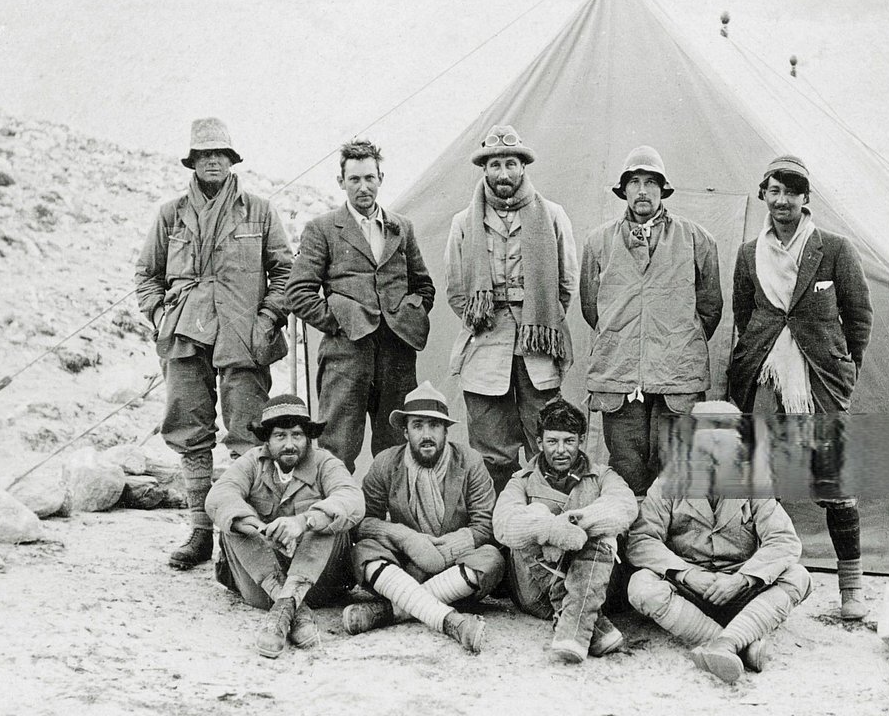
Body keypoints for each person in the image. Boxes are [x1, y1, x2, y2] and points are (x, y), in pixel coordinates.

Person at [135, 118, 292, 570]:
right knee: (189, 431)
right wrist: (161, 314)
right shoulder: (170, 214)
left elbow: (284, 273)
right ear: (193, 161)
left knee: (247, 434)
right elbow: (146, 276)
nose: (213, 162)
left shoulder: (259, 211)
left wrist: (267, 318)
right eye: (204, 155)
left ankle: (238, 538)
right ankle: (200, 532)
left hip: (244, 335)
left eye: (220, 154)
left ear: (232, 159)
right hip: (185, 334)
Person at [727, 155, 873, 619]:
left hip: (819, 382)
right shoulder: (750, 253)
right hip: (765, 378)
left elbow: (859, 317)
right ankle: (761, 579)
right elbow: (743, 316)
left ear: (806, 198)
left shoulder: (834, 249)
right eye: (774, 190)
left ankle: (851, 590)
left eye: (792, 191)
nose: (783, 199)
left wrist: (842, 372)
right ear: (764, 195)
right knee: (760, 479)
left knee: (834, 482)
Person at [580, 145, 722, 496]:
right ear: (623, 190)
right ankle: (632, 543)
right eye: (634, 182)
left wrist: (676, 338)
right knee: (626, 465)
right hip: (619, 372)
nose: (642, 191)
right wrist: (623, 338)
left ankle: (670, 541)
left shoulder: (696, 238)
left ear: (663, 189)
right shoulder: (599, 242)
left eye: (651, 182)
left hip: (677, 373)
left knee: (675, 464)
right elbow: (591, 307)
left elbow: (710, 307)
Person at [286, 138, 434, 473]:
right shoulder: (322, 229)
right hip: (345, 355)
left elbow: (424, 286)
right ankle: (338, 522)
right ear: (341, 183)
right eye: (354, 179)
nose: (363, 187)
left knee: (395, 446)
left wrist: (408, 314)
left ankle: (392, 522)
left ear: (381, 178)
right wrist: (339, 321)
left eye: (369, 178)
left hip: (396, 354)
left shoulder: (402, 227)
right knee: (337, 446)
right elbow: (297, 293)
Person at [445, 124, 577, 492]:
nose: (503, 174)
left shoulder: (551, 215)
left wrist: (540, 319)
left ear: (523, 168)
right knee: (492, 451)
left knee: (546, 440)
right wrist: (484, 319)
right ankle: (496, 531)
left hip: (537, 347)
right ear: (484, 170)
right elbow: (457, 290)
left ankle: (543, 518)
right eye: (495, 165)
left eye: (511, 164)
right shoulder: (463, 222)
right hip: (486, 345)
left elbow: (566, 284)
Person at [341, 382, 504, 654]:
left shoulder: (469, 462)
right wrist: (405, 538)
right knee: (363, 551)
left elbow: (485, 524)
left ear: (446, 430)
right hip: (406, 566)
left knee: (492, 559)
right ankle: (452, 622)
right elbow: (363, 520)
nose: (426, 434)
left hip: (453, 569)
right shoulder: (386, 463)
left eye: (434, 425)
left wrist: (445, 551)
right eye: (417, 426)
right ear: (405, 431)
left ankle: (388, 611)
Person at [205, 394, 365, 657]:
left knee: (328, 521)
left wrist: (302, 522)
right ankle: (293, 609)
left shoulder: (325, 463)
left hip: (319, 583)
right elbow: (219, 496)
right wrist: (259, 528)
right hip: (262, 583)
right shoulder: (252, 463)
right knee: (233, 523)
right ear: (267, 439)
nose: (290, 444)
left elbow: (352, 498)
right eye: (280, 436)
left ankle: (281, 613)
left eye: (297, 435)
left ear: (308, 438)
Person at [492, 398, 638, 663]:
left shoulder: (603, 475)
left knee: (604, 530)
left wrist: (576, 523)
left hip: (594, 584)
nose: (561, 450)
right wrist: (551, 529)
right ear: (539, 443)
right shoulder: (522, 482)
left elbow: (625, 507)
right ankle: (589, 624)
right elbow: (503, 525)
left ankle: (571, 631)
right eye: (552, 441)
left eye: (569, 441)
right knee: (532, 517)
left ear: (581, 440)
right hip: (536, 594)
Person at [627, 487, 812, 684]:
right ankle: (734, 645)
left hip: (740, 590)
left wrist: (741, 579)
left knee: (798, 576)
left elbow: (784, 540)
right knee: (641, 584)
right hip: (688, 591)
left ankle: (726, 643)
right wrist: (686, 574)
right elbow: (641, 539)